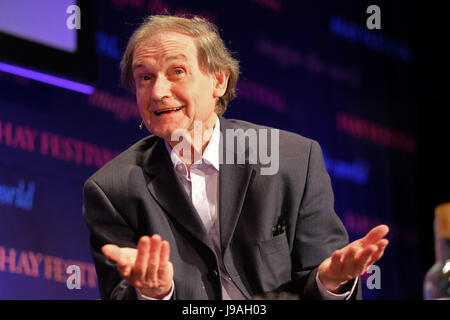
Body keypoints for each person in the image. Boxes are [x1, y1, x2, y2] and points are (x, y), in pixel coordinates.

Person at [82, 15, 389, 300]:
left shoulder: (293, 161)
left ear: (219, 81)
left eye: (177, 72)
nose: (158, 91)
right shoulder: (112, 190)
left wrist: (332, 281)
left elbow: (316, 278)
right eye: (145, 78)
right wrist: (156, 294)